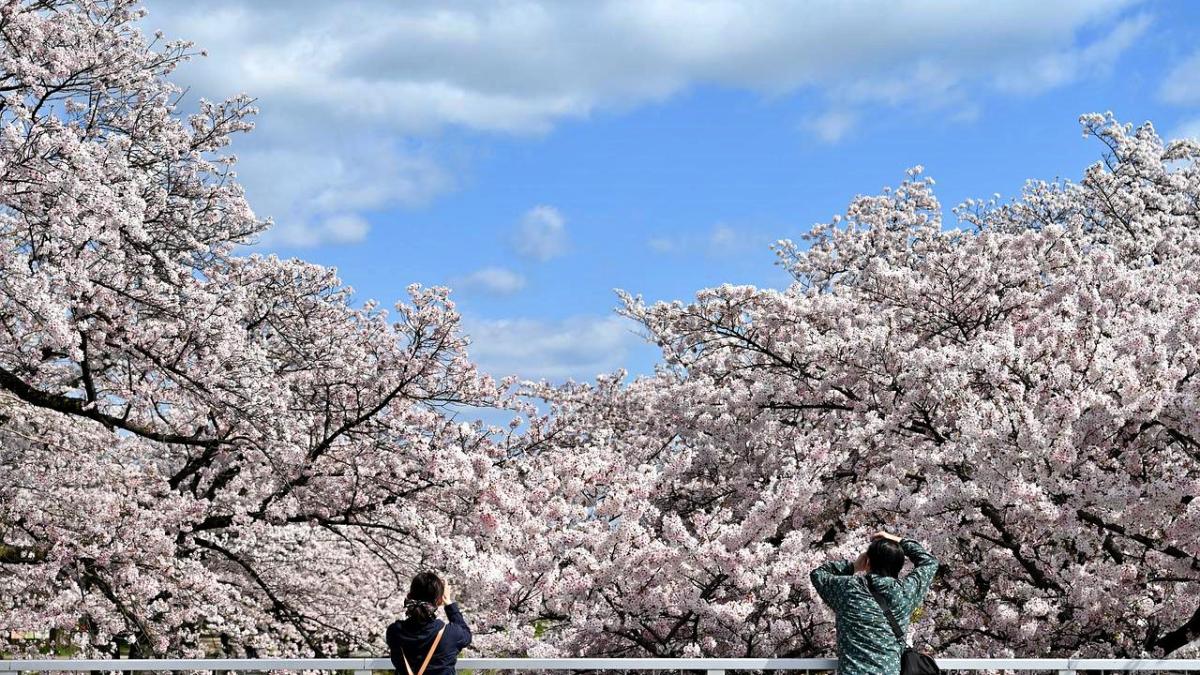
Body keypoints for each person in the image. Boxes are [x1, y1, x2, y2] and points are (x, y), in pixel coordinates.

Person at [810, 531, 939, 675]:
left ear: (868, 562)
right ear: (899, 565)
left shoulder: (848, 588)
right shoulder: (905, 592)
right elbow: (929, 562)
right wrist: (898, 540)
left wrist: (853, 566)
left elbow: (818, 574)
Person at [386, 571, 472, 675]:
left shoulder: (394, 632)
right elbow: (466, 635)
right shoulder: (450, 634)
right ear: (439, 602)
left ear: (409, 596)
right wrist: (449, 603)